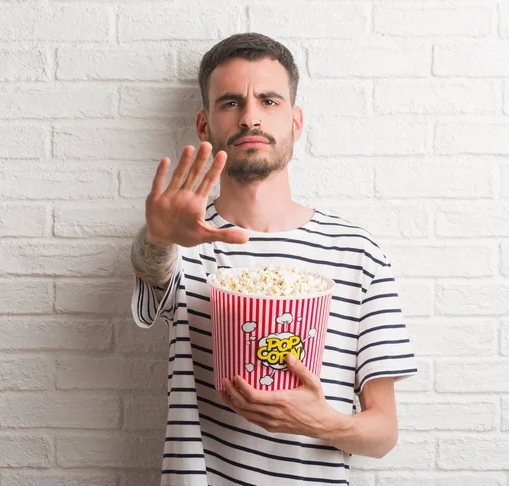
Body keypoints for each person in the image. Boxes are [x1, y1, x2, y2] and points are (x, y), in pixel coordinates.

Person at [130, 32, 418, 486]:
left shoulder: (357, 254)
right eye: (230, 103)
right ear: (204, 126)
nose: (250, 118)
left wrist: (317, 421)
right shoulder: (184, 241)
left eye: (268, 101)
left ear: (296, 122)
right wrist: (160, 237)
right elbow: (151, 264)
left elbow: (382, 435)